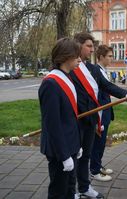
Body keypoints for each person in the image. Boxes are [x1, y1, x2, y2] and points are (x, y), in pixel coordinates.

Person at [70, 32, 127, 198]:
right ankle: (71, 191)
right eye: (89, 46)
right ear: (78, 46)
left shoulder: (93, 69)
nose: (92, 50)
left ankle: (85, 188)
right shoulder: (70, 68)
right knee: (74, 158)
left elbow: (107, 86)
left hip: (91, 120)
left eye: (93, 46)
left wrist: (125, 94)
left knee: (86, 155)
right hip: (76, 120)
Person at [39, 38, 82, 199]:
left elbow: (71, 117)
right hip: (59, 151)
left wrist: (77, 145)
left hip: (70, 145)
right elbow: (53, 125)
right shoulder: (51, 84)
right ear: (65, 57)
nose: (79, 59)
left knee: (70, 188)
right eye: (76, 56)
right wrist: (64, 155)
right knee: (59, 191)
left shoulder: (67, 77)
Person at [89, 45, 116, 181]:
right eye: (109, 56)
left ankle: (98, 165)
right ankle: (94, 170)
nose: (112, 58)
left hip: (105, 113)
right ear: (101, 57)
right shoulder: (96, 71)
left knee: (101, 142)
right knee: (98, 143)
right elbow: (98, 96)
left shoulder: (103, 70)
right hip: (100, 114)